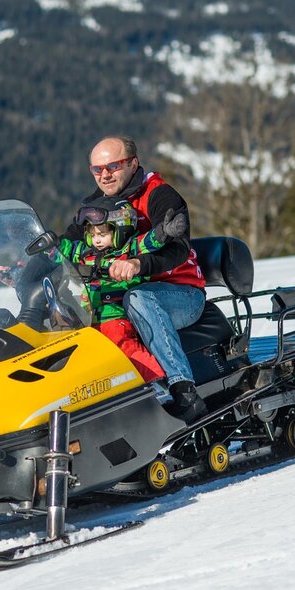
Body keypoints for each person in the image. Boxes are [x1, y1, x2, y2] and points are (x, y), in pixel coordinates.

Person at [64, 136, 208, 423]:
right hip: (128, 293)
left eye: (113, 166)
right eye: (97, 169)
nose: (105, 175)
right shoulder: (97, 205)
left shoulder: (159, 194)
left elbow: (178, 249)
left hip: (180, 292)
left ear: (133, 163)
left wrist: (138, 264)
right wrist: (28, 265)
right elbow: (68, 243)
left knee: (138, 298)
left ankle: (182, 389)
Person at [55, 196, 188, 386]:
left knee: (125, 349)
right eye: (92, 234)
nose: (96, 240)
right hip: (86, 319)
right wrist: (50, 246)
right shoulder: (84, 252)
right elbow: (64, 250)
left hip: (114, 318)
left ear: (120, 229)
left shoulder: (128, 250)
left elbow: (147, 242)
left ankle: (156, 382)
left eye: (102, 234)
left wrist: (164, 232)